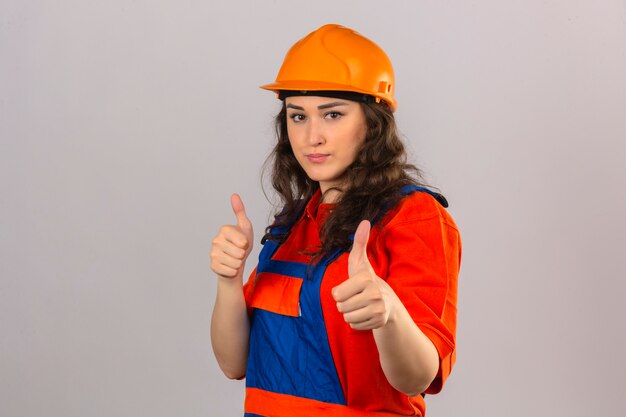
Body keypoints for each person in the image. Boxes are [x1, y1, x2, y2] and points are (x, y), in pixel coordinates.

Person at [210, 24, 461, 417]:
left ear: (373, 123)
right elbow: (233, 364)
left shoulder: (412, 218)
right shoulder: (294, 222)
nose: (312, 137)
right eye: (298, 116)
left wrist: (390, 315)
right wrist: (228, 281)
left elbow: (416, 378)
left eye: (332, 114)